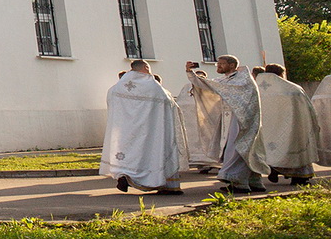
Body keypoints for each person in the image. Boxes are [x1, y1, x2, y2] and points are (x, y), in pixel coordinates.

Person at [100, 60, 186, 195]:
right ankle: (163, 184)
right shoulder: (151, 84)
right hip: (151, 129)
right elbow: (167, 103)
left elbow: (112, 104)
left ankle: (125, 176)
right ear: (146, 67)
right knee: (151, 154)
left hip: (125, 130)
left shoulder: (117, 87)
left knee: (130, 154)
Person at [186, 57, 267, 193]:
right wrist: (190, 73)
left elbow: (231, 93)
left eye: (222, 64)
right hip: (230, 118)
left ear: (232, 65)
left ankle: (238, 182)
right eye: (218, 63)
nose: (218, 66)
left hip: (241, 120)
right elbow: (207, 84)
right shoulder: (227, 80)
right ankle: (253, 182)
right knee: (240, 149)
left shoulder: (243, 79)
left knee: (238, 149)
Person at [253, 64, 322, 186]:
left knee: (271, 150)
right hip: (292, 127)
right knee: (293, 149)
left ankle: (274, 168)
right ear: (281, 74)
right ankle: (299, 177)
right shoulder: (293, 89)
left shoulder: (255, 89)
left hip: (268, 129)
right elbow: (308, 109)